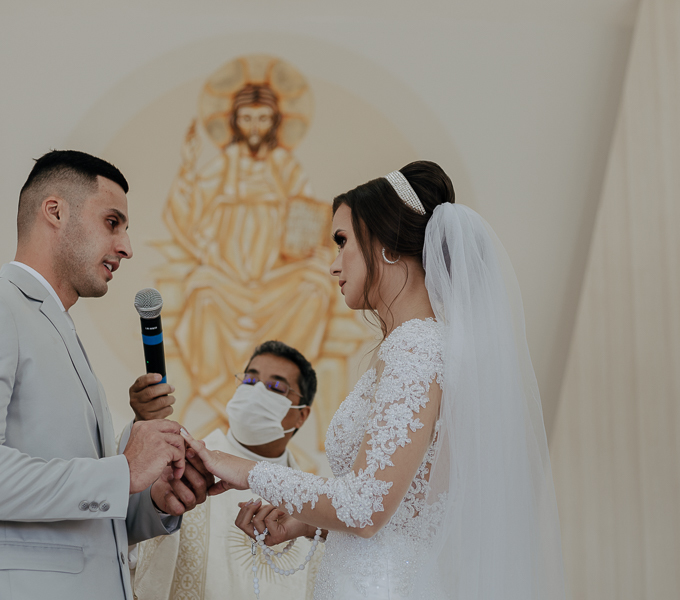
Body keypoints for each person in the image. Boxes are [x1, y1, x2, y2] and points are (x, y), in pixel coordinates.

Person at [181, 161, 567, 599]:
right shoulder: (426, 346)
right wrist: (302, 522)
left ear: (384, 243)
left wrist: (245, 469)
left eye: (342, 241)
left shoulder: (417, 348)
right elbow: (407, 503)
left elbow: (365, 506)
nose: (333, 264)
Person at [0, 150, 212, 600]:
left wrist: (152, 501)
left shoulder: (61, 335)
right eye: (113, 222)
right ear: (55, 211)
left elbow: (77, 521)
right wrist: (122, 471)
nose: (127, 246)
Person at [155, 78, 369, 436]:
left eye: (263, 119)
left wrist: (314, 244)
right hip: (226, 273)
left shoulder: (286, 166)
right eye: (248, 118)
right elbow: (187, 212)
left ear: (274, 123)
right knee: (202, 295)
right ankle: (228, 394)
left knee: (315, 288)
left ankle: (279, 387)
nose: (255, 127)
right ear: (236, 122)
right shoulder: (225, 164)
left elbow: (308, 216)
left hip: (277, 274)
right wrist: (188, 168)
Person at [123, 341, 322, 600]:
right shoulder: (184, 466)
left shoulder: (312, 499)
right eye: (250, 381)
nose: (257, 391)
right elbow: (126, 542)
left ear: (301, 415)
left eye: (275, 387)